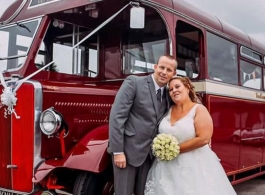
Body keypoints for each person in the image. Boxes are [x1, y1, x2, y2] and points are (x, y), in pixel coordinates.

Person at [144, 76, 237, 195]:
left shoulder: (199, 109)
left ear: (187, 88)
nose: (174, 91)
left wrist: (174, 150)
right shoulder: (167, 110)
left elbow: (204, 138)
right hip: (165, 168)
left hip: (193, 166)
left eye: (177, 86)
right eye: (171, 90)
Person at [108, 55, 177, 195]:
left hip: (150, 156)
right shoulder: (134, 82)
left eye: (169, 70)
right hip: (127, 153)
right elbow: (117, 116)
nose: (164, 72)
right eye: (162, 67)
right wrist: (117, 151)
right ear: (155, 67)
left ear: (174, 74)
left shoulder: (170, 95)